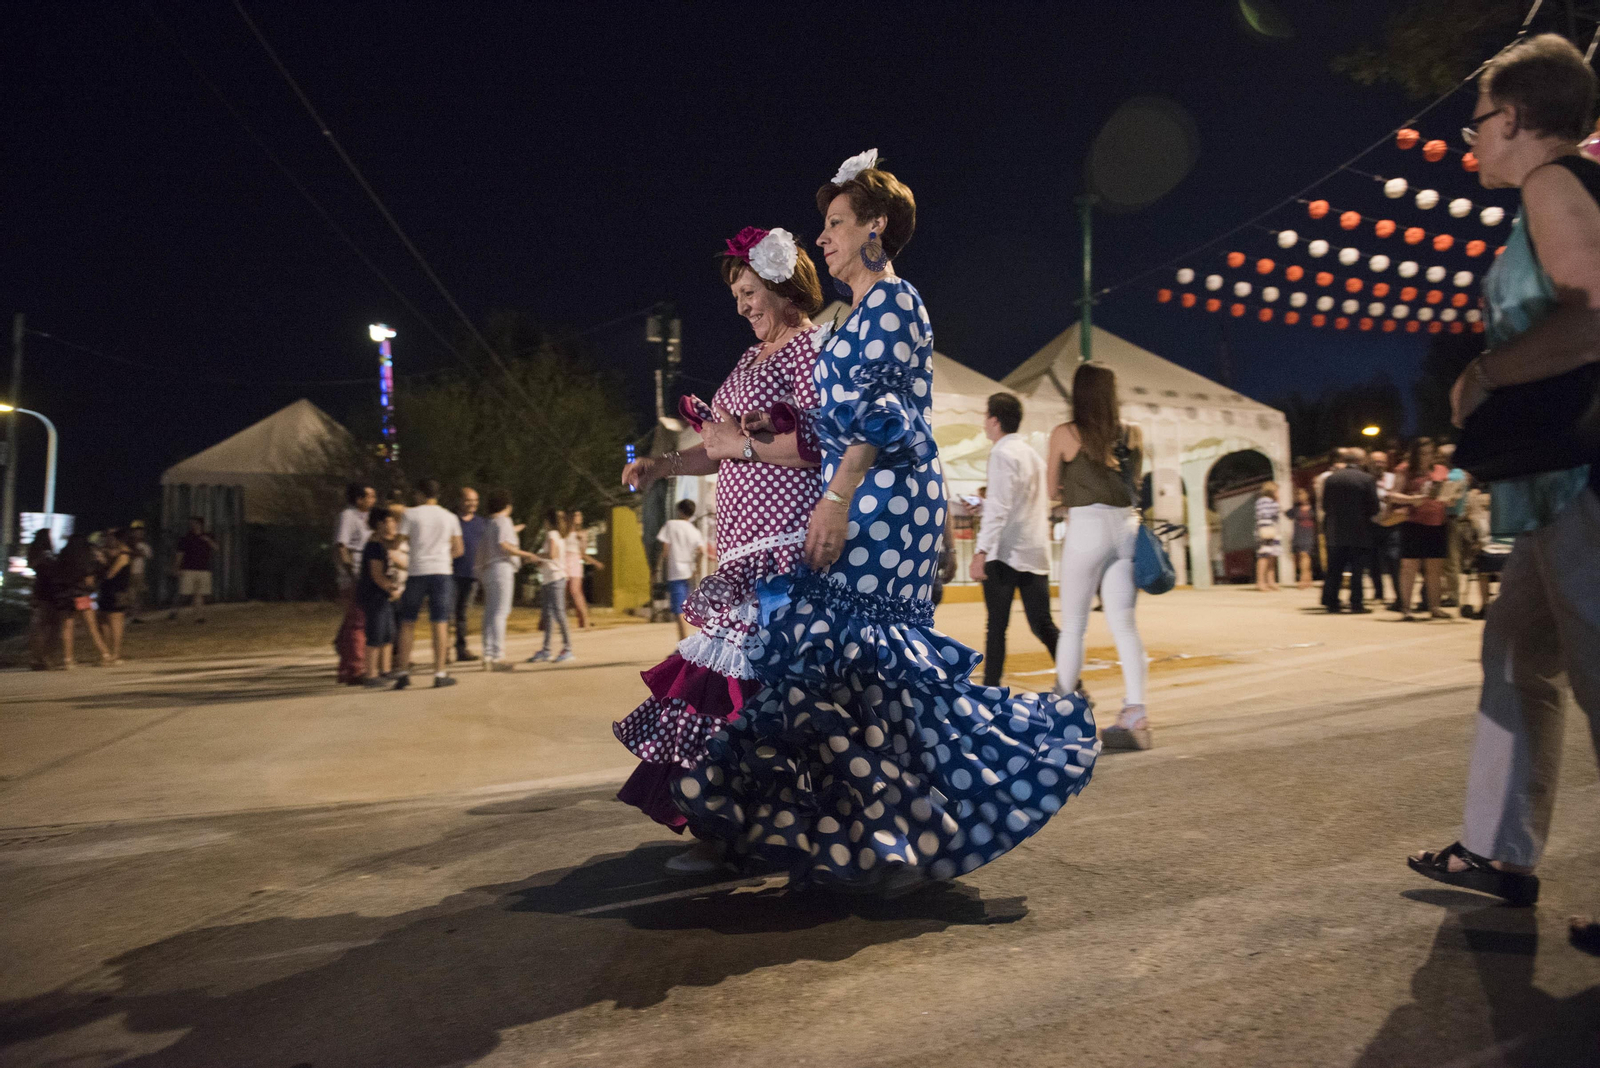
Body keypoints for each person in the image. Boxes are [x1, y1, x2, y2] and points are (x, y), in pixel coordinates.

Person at [671, 151, 1098, 893]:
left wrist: (835, 498)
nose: (823, 237)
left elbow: (878, 416)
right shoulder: (857, 314)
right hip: (865, 490)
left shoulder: (896, 302)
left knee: (849, 656)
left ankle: (897, 827)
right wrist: (777, 443)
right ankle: (882, 838)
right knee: (854, 671)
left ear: (875, 227)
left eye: (836, 223)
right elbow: (840, 418)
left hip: (886, 499)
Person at [1404, 35, 1600, 955]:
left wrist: (1486, 372)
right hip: (1550, 487)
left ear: (1516, 118)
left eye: (1477, 119)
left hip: (1581, 480)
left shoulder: (1554, 182)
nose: (1471, 136)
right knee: (1517, 651)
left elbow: (1593, 312)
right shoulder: (1555, 190)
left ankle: (1501, 847)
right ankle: (1499, 851)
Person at [614, 224, 825, 868]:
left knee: (751, 694)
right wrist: (662, 467)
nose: (741, 305)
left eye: (749, 291)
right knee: (729, 691)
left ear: (784, 285)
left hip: (783, 548)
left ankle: (746, 829)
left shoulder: (809, 349)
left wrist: (745, 446)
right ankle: (733, 826)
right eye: (736, 295)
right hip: (739, 551)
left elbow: (821, 443)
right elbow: (718, 447)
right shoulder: (750, 358)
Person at [1046, 361, 1150, 749]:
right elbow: (1135, 482)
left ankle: (1062, 711)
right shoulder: (1133, 434)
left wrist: (1074, 485)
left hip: (1087, 528)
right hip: (1126, 529)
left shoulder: (1065, 433)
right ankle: (1136, 713)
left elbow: (1051, 489)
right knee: (1125, 624)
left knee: (1074, 625)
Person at [971, 391, 1057, 686]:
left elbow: (1000, 507)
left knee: (996, 626)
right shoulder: (1033, 455)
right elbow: (1022, 503)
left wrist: (981, 551)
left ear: (995, 421)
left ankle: (990, 690)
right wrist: (984, 505)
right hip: (1034, 550)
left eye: (986, 417)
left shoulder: (1001, 453)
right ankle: (1074, 683)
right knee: (1042, 624)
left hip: (1005, 552)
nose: (985, 422)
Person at [392, 479, 463, 689]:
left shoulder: (410, 514)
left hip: (417, 572)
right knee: (440, 622)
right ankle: (439, 673)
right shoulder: (449, 517)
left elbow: (397, 542)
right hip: (441, 572)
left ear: (420, 494)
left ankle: (403, 673)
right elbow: (459, 549)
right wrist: (443, 556)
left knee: (407, 622)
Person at [1389, 437, 1451, 620]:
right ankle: (1406, 609)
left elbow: (1445, 493)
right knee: (1409, 567)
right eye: (1423, 453)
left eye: (1430, 453)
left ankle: (1435, 607)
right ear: (1415, 454)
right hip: (1413, 522)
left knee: (1435, 568)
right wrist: (1412, 499)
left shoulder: (1440, 470)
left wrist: (1449, 498)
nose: (1427, 457)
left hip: (1437, 522)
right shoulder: (1405, 469)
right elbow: (1392, 495)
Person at [476, 488, 537, 670]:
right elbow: (504, 545)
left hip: (488, 571)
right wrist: (527, 554)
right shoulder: (504, 521)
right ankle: (498, 656)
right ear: (507, 505)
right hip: (501, 569)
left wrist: (515, 529)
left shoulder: (490, 523)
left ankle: (488, 654)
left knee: (490, 612)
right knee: (501, 613)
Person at [1320, 449, 1380, 613]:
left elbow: (1325, 505)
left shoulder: (1332, 479)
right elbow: (1374, 507)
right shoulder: (1367, 479)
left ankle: (1332, 601)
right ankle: (1356, 602)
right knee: (1357, 570)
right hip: (1360, 530)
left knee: (1335, 568)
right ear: (1361, 461)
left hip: (1336, 530)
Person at [333, 483, 376, 684]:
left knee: (354, 621)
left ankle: (345, 665)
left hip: (367, 572)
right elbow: (342, 546)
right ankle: (355, 669)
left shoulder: (367, 517)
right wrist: (350, 573)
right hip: (355, 575)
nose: (373, 500)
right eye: (369, 496)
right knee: (358, 622)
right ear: (358, 499)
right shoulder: (348, 516)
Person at [358, 505, 402, 688]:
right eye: (390, 521)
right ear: (379, 524)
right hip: (375, 596)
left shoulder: (382, 544)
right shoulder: (374, 546)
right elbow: (376, 575)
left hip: (384, 596)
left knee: (388, 633)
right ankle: (371, 674)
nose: (394, 524)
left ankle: (385, 670)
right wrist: (391, 589)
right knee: (375, 634)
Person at [54, 531, 111, 667]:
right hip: (82, 594)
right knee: (92, 626)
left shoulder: (64, 554)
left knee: (67, 627)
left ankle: (68, 660)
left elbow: (57, 574)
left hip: (66, 595)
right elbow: (91, 578)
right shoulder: (86, 557)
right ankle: (105, 654)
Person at [528, 510, 575, 664]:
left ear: (548, 521)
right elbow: (551, 557)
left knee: (559, 613)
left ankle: (568, 649)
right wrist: (539, 560)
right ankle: (546, 650)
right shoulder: (558, 536)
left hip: (555, 579)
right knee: (548, 615)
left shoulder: (552, 534)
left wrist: (535, 556)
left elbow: (552, 555)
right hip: (549, 579)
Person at [656, 500, 707, 642]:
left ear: (679, 511)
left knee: (679, 610)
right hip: (689, 572)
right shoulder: (694, 531)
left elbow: (665, 550)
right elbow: (702, 551)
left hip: (675, 572)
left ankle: (685, 643)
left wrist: (658, 567)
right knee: (685, 608)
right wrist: (696, 567)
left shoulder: (671, 525)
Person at [451, 486, 485, 662]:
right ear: (460, 501)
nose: (472, 504)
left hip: (472, 575)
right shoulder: (451, 520)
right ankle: (443, 650)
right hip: (451, 573)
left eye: (475, 500)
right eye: (468, 500)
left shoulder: (481, 523)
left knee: (462, 613)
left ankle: (461, 649)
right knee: (448, 613)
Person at [1367, 450, 1400, 605]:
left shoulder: (1393, 479)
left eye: (1381, 462)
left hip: (1392, 524)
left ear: (1386, 464)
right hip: (1371, 525)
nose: (1378, 465)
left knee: (1394, 559)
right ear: (1369, 464)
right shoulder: (1366, 480)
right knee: (1373, 561)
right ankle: (1378, 593)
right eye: (1375, 462)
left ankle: (1399, 595)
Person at [171, 516, 216, 622]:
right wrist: (176, 567)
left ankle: (199, 616)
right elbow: (180, 554)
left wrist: (208, 540)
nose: (193, 526)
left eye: (195, 523)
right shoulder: (186, 538)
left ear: (201, 525)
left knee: (199, 593)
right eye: (192, 524)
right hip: (188, 568)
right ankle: (175, 611)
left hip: (203, 568)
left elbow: (216, 547)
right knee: (184, 593)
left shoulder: (208, 536)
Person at [97, 529, 132, 663]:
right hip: (108, 590)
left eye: (113, 538)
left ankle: (115, 653)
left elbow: (111, 573)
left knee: (115, 622)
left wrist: (103, 562)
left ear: (118, 540)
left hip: (117, 591)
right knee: (103, 621)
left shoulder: (124, 554)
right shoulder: (115, 553)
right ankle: (107, 653)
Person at [27, 530, 57, 670]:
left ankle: (35, 658)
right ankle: (45, 657)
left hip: (39, 590)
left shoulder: (35, 554)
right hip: (50, 591)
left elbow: (32, 566)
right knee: (50, 626)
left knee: (38, 626)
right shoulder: (48, 555)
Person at [565, 508, 593, 629]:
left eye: (579, 515)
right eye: (576, 515)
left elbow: (583, 552)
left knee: (575, 591)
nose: (578, 517)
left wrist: (582, 540)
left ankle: (585, 619)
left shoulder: (583, 532)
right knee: (563, 593)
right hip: (563, 561)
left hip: (575, 562)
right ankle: (563, 621)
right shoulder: (564, 531)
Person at [1253, 484, 1282, 592]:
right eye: (1277, 491)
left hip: (1272, 530)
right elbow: (1265, 515)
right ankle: (1261, 582)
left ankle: (1271, 581)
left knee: (1271, 556)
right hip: (1267, 530)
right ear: (1272, 491)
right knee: (1264, 556)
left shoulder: (1267, 501)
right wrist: (1277, 504)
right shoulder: (1264, 501)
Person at [1288, 487, 1317, 589]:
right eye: (1298, 494)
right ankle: (1307, 578)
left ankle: (1304, 578)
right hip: (1299, 534)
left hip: (1310, 534)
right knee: (1302, 556)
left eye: (1302, 494)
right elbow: (1287, 514)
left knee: (1305, 555)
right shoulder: (1295, 509)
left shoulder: (1314, 507)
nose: (1300, 496)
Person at [125, 520, 152, 622]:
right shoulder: (127, 543)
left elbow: (148, 555)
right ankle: (131, 614)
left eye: (140, 531)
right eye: (136, 531)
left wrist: (137, 553)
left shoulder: (144, 545)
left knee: (138, 594)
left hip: (139, 572)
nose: (138, 533)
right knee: (130, 594)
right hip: (129, 572)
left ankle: (136, 615)